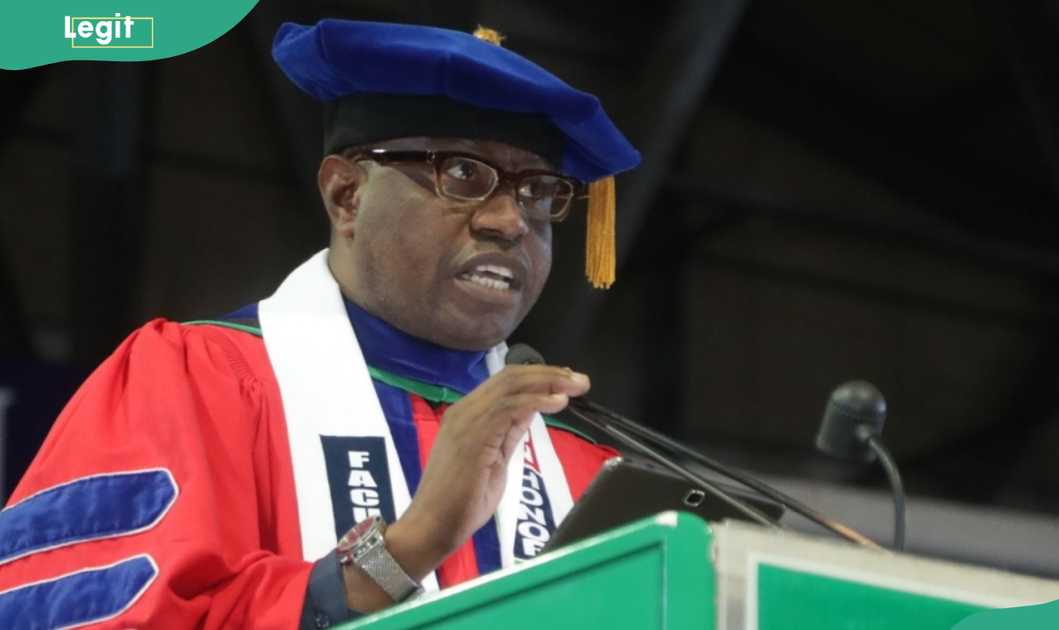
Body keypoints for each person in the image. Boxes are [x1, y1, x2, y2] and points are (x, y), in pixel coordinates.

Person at [0, 19, 640, 630]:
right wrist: (405, 550)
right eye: (462, 174)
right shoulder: (193, 383)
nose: (511, 221)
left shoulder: (584, 461)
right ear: (346, 195)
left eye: (538, 192)